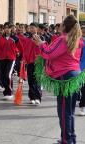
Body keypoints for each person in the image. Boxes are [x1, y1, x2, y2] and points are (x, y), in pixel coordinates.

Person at [33, 15, 83, 144]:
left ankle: (67, 140)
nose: (59, 25)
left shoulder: (63, 39)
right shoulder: (79, 40)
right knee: (69, 111)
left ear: (65, 26)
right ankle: (70, 138)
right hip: (74, 76)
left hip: (65, 76)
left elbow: (49, 53)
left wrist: (41, 44)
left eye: (61, 23)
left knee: (64, 111)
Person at [0, 22, 23, 100]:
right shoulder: (1, 38)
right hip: (2, 59)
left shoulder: (15, 38)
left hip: (11, 59)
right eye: (5, 28)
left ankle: (9, 93)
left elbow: (21, 48)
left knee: (7, 75)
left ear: (11, 29)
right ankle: (7, 90)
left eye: (8, 28)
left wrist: (21, 56)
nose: (7, 29)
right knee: (3, 76)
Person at [19, 23, 42, 105]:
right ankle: (32, 97)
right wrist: (24, 60)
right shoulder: (27, 39)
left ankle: (38, 97)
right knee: (31, 81)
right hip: (29, 62)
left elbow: (43, 50)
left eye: (33, 28)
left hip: (38, 62)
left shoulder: (40, 38)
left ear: (37, 28)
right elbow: (25, 51)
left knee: (37, 80)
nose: (31, 29)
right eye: (30, 28)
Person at [78, 26, 85, 116]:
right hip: (81, 68)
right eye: (83, 33)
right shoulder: (79, 42)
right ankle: (83, 106)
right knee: (83, 88)